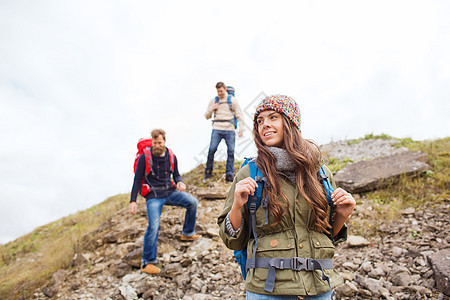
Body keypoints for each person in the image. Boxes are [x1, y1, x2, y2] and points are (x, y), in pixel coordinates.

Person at [218, 95, 356, 299]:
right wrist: (237, 207)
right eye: (259, 121)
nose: (265, 124)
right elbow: (233, 242)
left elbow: (325, 237)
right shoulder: (250, 173)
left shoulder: (321, 173)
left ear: (291, 123)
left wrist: (342, 216)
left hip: (319, 287)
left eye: (273, 117)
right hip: (267, 290)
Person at [129, 129, 200, 274]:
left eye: (159, 143)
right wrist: (133, 201)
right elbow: (137, 180)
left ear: (164, 141)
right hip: (153, 195)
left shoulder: (171, 156)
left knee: (193, 202)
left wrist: (180, 182)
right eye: (154, 143)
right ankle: (147, 262)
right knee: (153, 226)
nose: (156, 146)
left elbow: (177, 174)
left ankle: (187, 232)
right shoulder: (145, 157)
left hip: (169, 192)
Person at [204, 82, 245, 182]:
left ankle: (229, 174)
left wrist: (241, 129)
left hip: (229, 129)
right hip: (217, 128)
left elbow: (239, 115)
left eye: (221, 91)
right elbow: (206, 116)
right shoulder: (214, 100)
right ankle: (208, 172)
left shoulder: (232, 100)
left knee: (230, 151)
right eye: (218, 91)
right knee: (212, 149)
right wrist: (212, 108)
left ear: (225, 89)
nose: (220, 93)